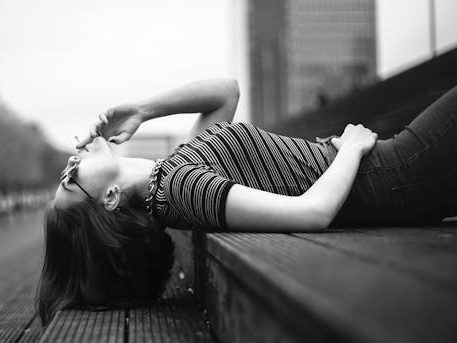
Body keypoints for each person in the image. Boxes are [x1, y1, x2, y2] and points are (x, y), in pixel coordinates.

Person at [36, 78, 457, 326]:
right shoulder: (182, 189)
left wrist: (142, 110)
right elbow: (313, 214)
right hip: (398, 172)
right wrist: (352, 147)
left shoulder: (173, 170)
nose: (71, 162)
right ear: (109, 198)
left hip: (393, 170)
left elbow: (225, 92)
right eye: (71, 180)